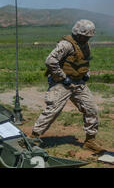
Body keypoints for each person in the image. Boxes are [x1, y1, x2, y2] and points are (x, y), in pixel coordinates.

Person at [32, 19, 105, 153]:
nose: (87, 38)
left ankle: (90, 140)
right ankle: (33, 139)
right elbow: (50, 61)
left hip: (78, 83)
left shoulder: (86, 45)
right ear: (78, 33)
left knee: (91, 109)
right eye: (85, 36)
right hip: (62, 83)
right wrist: (62, 77)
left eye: (89, 36)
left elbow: (84, 60)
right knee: (53, 110)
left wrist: (86, 73)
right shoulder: (66, 45)